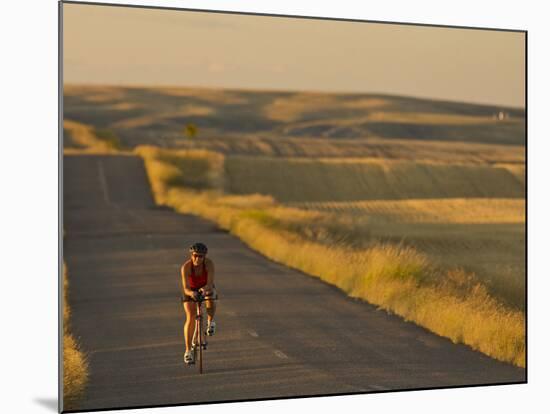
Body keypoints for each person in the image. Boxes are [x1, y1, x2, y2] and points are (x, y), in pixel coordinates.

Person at [181, 242, 217, 364]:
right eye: (195, 255)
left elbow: (210, 283)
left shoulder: (209, 264)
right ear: (191, 255)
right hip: (190, 291)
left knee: (210, 297)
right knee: (190, 317)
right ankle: (187, 351)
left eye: (201, 256)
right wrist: (192, 294)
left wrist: (205, 289)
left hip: (205, 287)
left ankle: (210, 321)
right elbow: (185, 288)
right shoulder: (186, 267)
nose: (197, 258)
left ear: (204, 257)